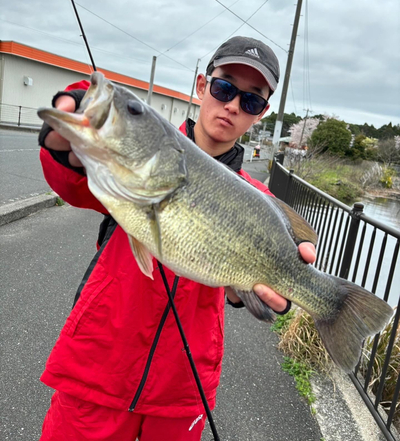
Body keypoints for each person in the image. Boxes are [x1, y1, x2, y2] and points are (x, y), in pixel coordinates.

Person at [38, 36, 316, 441]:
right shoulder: (138, 162)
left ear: (261, 114)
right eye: (224, 88)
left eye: (251, 100)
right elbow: (75, 179)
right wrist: (68, 136)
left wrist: (258, 289)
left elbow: (262, 281)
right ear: (202, 86)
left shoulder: (261, 203)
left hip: (183, 388)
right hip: (97, 367)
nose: (233, 105)